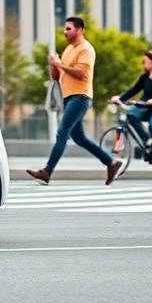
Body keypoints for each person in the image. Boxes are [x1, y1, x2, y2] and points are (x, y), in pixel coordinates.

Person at [27, 16, 122, 185]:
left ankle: (47, 172)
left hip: (81, 96)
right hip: (68, 97)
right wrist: (53, 64)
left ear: (80, 30)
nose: (65, 32)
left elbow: (82, 73)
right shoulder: (68, 49)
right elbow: (57, 76)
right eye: (65, 28)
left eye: (69, 28)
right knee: (80, 139)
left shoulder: (86, 49)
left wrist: (60, 64)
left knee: (62, 132)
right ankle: (111, 162)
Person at [110, 50, 152, 160]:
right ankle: (147, 140)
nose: (143, 63)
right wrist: (120, 98)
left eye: (145, 61)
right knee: (131, 115)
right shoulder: (144, 77)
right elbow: (134, 90)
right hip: (148, 108)